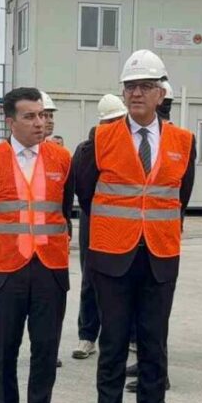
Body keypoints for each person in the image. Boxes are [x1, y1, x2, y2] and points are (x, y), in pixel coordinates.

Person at [74, 49, 196, 403]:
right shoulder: (101, 138)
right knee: (111, 345)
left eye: (145, 86)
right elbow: (86, 193)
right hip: (112, 257)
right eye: (130, 87)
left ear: (162, 93)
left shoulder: (183, 142)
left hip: (159, 257)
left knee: (153, 346)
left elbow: (178, 198)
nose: (136, 93)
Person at [0, 87, 72, 403]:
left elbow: (65, 209)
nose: (39, 122)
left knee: (46, 347)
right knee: (5, 348)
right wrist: (7, 245)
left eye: (42, 115)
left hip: (50, 267)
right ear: (10, 122)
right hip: (6, 269)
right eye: (30, 116)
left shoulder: (62, 158)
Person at [73, 94, 128, 360]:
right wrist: (96, 211)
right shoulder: (87, 149)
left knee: (127, 280)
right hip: (93, 219)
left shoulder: (131, 146)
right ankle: (87, 335)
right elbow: (81, 188)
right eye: (111, 121)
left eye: (119, 120)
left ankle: (128, 336)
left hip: (124, 222)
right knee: (91, 278)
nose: (116, 125)